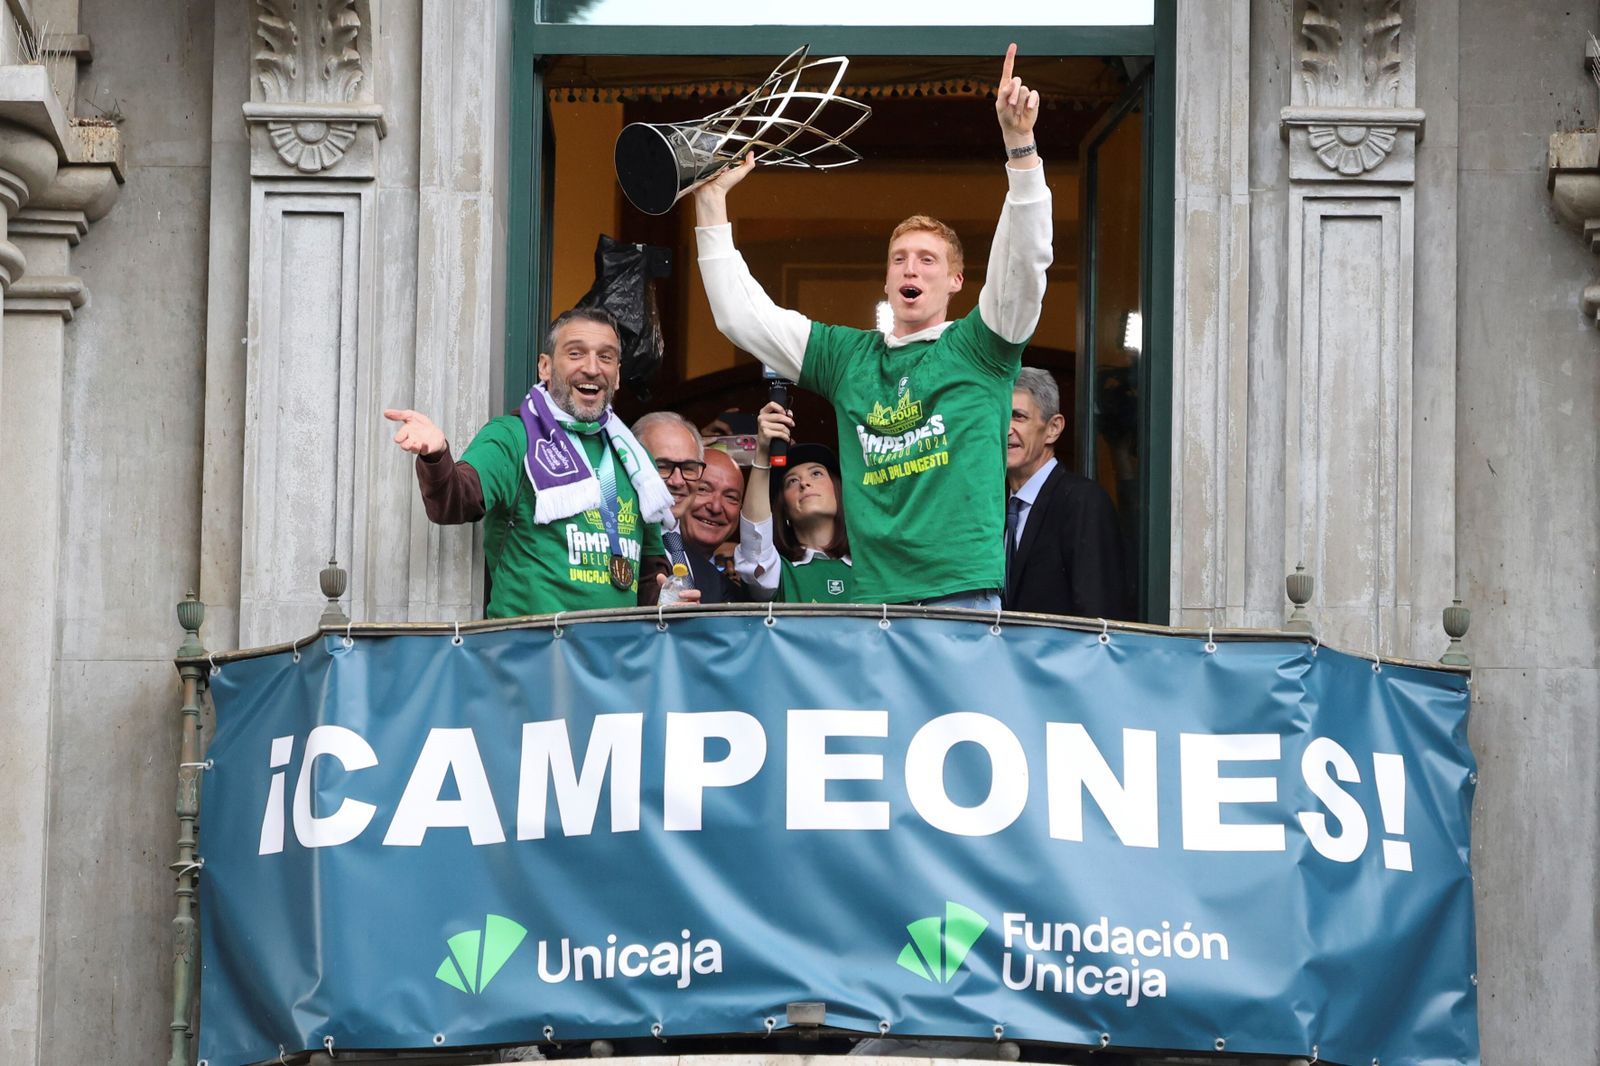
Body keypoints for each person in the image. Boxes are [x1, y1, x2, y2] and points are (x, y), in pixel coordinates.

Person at [691, 44, 1050, 609]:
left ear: (956, 281)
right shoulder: (848, 358)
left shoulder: (980, 348)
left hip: (960, 595)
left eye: (928, 260)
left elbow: (1023, 266)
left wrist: (1020, 148)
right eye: (899, 259)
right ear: (885, 281)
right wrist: (711, 204)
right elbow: (743, 318)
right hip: (875, 601)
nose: (911, 269)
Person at [383, 307, 686, 617]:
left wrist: (666, 600)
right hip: (532, 645)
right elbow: (455, 501)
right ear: (545, 366)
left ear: (618, 375)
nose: (592, 368)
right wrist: (437, 454)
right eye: (576, 353)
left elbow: (649, 571)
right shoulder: (512, 436)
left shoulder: (635, 458)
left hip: (615, 647)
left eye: (605, 357)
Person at [1002, 367, 1127, 619]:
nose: (1006, 429)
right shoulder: (994, 509)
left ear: (1053, 428)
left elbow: (1098, 618)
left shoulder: (1083, 502)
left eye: (1018, 417)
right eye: (1001, 416)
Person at [736, 401, 853, 603]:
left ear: (838, 491)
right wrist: (763, 451)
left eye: (816, 473)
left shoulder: (870, 569)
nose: (804, 483)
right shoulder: (776, 572)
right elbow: (755, 542)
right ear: (784, 509)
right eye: (792, 481)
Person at [632, 410, 739, 604]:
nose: (678, 481)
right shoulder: (617, 548)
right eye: (662, 466)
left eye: (689, 468)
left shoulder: (712, 577)